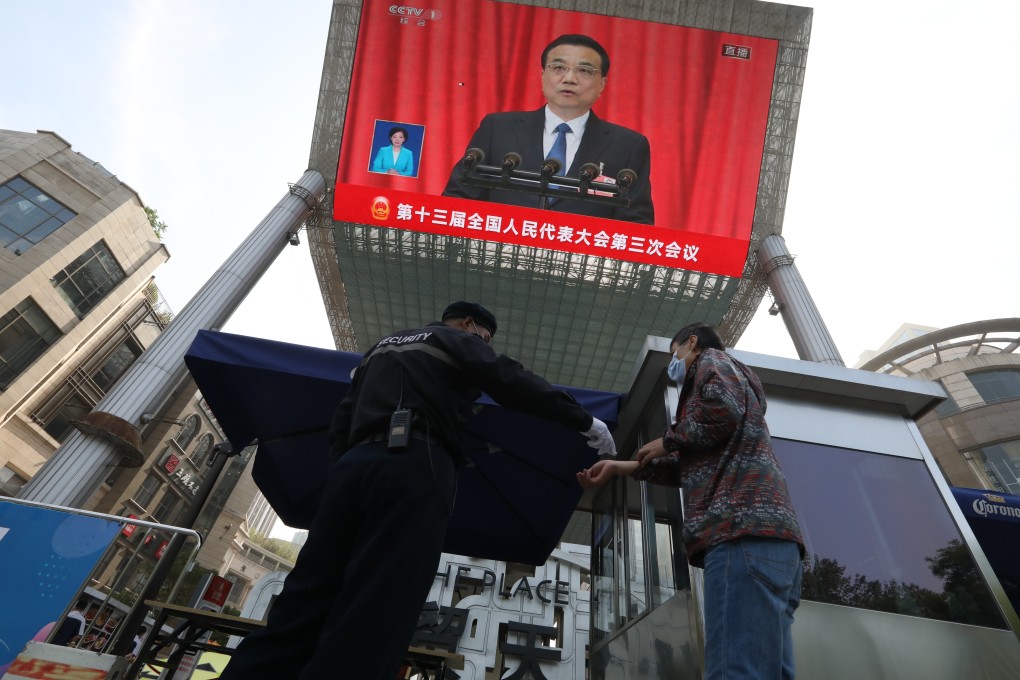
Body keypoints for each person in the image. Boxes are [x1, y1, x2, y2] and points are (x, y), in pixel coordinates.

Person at [220, 301, 616, 680]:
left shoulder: (379, 351)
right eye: (485, 337)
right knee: (380, 603)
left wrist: (350, 471)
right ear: (468, 325)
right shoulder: (455, 341)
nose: (485, 343)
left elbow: (341, 421)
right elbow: (509, 379)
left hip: (350, 469)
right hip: (415, 462)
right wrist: (583, 420)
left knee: (304, 599)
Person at [577, 322, 804, 679]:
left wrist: (667, 439)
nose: (675, 362)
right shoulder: (739, 413)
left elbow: (719, 410)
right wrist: (621, 467)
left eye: (674, 353)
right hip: (773, 544)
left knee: (734, 671)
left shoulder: (712, 361)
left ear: (691, 343)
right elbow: (690, 469)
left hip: (738, 535)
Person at [443, 34, 654, 224]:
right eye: (559, 68)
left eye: (584, 70)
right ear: (543, 76)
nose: (569, 78)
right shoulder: (498, 128)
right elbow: (458, 198)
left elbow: (635, 222)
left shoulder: (628, 146)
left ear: (602, 84)